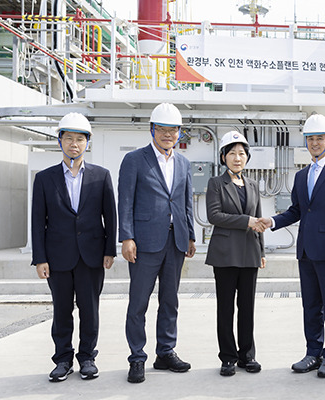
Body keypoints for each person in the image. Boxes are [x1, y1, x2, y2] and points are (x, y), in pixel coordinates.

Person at [258, 113, 325, 378]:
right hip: (306, 251)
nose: (315, 143)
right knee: (311, 305)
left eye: (319, 138)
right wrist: (272, 221)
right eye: (310, 139)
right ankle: (314, 352)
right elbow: (297, 210)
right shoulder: (301, 176)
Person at [31, 112, 117, 382]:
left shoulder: (101, 176)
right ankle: (63, 359)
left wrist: (109, 250)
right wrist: (40, 258)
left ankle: (87, 357)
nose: (74, 144)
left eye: (80, 139)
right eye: (69, 138)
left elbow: (110, 215)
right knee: (61, 309)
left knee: (90, 309)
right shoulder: (45, 179)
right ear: (60, 141)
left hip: (91, 255)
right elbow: (37, 221)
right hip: (57, 257)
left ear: (87, 143)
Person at [118, 103, 196, 384]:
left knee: (170, 300)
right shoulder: (135, 160)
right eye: (162, 129)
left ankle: (165, 351)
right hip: (144, 243)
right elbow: (125, 201)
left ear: (179, 133)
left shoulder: (184, 163)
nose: (167, 134)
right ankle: (137, 357)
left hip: (175, 242)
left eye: (172, 130)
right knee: (138, 302)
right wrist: (126, 237)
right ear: (152, 130)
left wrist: (190, 235)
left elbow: (186, 201)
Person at [205, 131, 266, 377]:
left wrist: (261, 250)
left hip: (250, 253)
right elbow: (214, 215)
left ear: (247, 157)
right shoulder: (216, 184)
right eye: (232, 153)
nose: (237, 158)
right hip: (225, 254)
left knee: (247, 308)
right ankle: (228, 357)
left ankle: (247, 356)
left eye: (241, 153)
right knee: (226, 308)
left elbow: (259, 219)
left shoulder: (252, 185)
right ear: (223, 157)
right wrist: (247, 221)